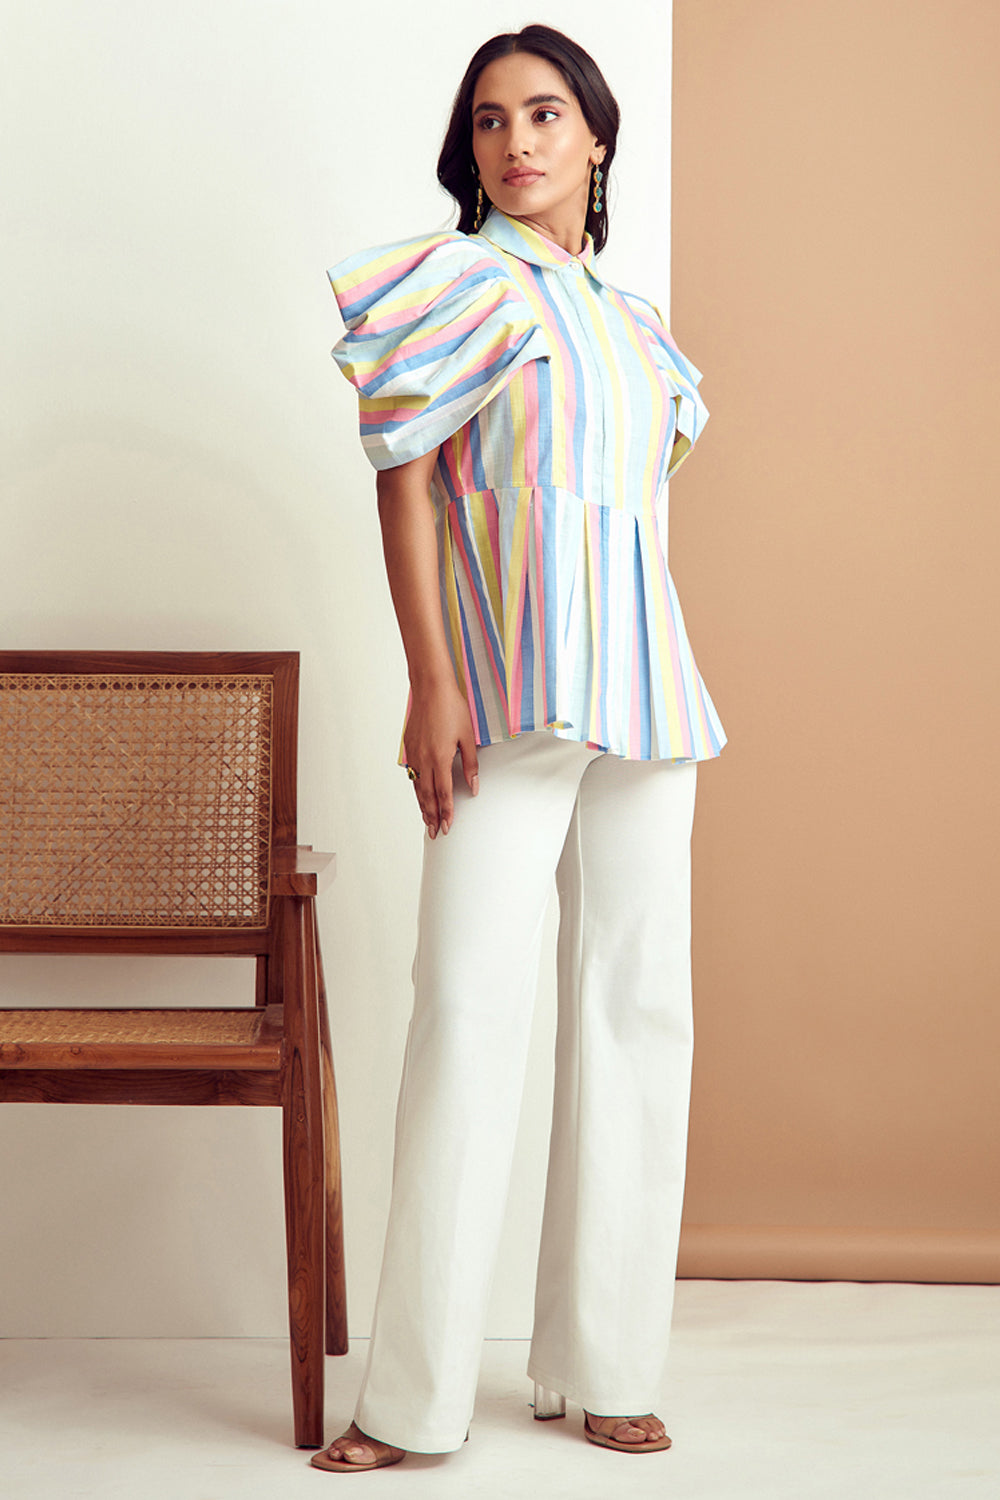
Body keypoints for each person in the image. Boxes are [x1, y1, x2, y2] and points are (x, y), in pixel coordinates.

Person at [313, 24, 725, 1474]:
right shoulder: (459, 283)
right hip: (503, 696)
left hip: (648, 697)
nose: (517, 142)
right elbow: (409, 485)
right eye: (490, 121)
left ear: (595, 136)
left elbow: (627, 517)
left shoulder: (635, 320)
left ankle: (606, 1368)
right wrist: (431, 681)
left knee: (636, 1014)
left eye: (545, 114)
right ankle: (410, 1401)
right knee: (468, 1016)